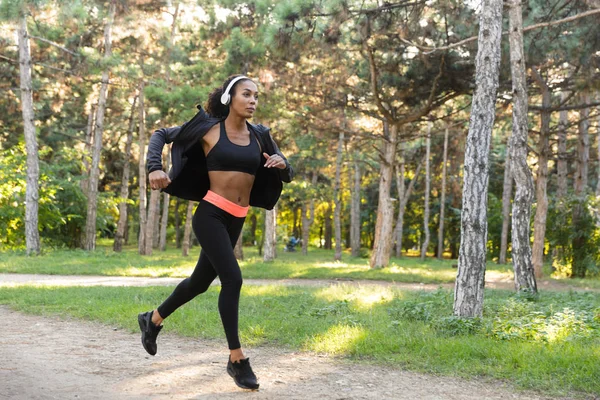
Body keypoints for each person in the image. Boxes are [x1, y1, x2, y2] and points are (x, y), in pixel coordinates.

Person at [138, 75, 293, 390]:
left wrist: (282, 162)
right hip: (210, 214)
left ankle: (152, 318)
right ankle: (237, 359)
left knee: (198, 283)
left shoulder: (261, 135)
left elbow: (286, 173)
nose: (252, 101)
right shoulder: (208, 129)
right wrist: (155, 167)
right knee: (233, 279)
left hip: (238, 217)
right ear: (228, 98)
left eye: (256, 96)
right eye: (246, 94)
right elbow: (161, 134)